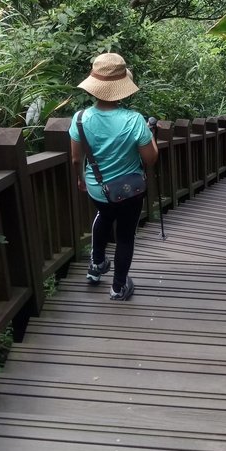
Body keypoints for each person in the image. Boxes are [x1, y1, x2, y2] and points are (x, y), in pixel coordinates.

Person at [69, 52, 158, 301]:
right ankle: (118, 287)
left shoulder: (79, 119)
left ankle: (96, 264)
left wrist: (80, 178)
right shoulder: (134, 120)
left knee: (104, 215)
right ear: (122, 88)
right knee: (126, 235)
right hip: (129, 190)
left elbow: (77, 159)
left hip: (98, 189)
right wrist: (151, 135)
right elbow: (150, 159)